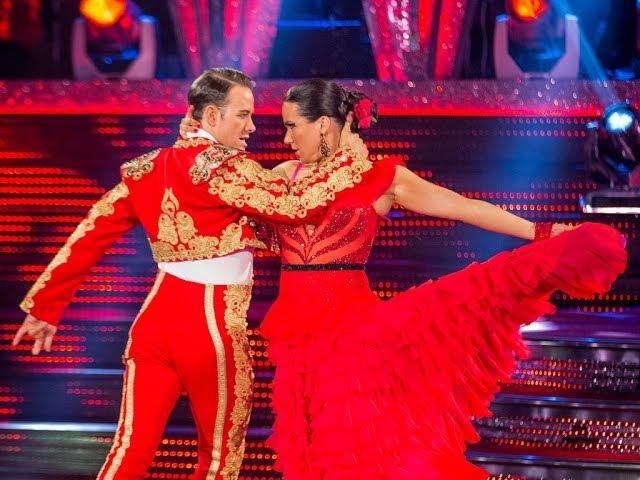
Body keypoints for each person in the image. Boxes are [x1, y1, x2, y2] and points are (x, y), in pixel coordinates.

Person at [182, 78, 627, 479]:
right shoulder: (282, 177)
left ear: (323, 125)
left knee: (357, 451)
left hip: (352, 336)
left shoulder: (382, 177)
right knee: (312, 453)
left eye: (292, 125)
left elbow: (461, 206)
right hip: (296, 341)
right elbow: (223, 207)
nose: (285, 137)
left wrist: (539, 231)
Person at [11, 69, 368, 480]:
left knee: (129, 451)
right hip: (210, 331)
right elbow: (299, 205)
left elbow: (91, 233)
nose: (252, 126)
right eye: (243, 115)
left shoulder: (145, 169)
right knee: (219, 459)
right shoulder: (227, 168)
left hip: (152, 326)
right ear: (211, 117)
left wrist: (44, 307)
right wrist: (349, 158)